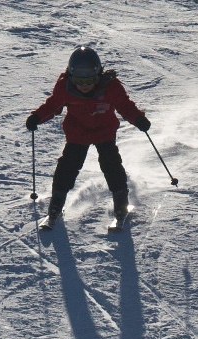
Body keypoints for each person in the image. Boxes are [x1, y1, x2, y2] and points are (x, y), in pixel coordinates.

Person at [26, 46, 151, 229]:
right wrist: (37, 117)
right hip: (78, 133)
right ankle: (55, 207)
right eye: (79, 81)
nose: (84, 86)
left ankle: (120, 206)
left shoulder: (111, 87)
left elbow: (125, 106)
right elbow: (53, 105)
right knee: (67, 167)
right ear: (71, 77)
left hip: (104, 132)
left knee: (111, 164)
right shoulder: (65, 87)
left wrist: (138, 119)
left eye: (90, 81)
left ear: (98, 76)